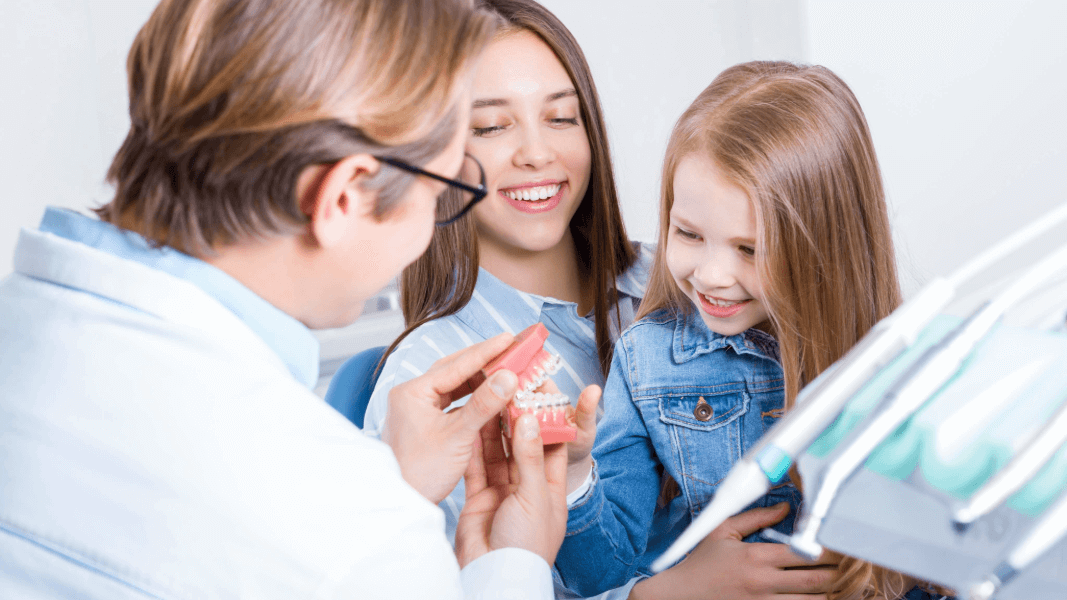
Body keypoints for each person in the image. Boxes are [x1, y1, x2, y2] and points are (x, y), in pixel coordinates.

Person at [0, 1, 570, 598]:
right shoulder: (359, 542)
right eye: (445, 188)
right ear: (344, 198)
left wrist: (383, 486)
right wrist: (509, 570)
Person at [363, 3, 843, 599]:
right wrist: (660, 594)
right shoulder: (427, 387)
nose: (536, 153)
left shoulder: (695, 282)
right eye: (490, 127)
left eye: (562, 118)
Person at [556, 61, 949, 600]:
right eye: (688, 234)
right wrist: (576, 479)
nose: (711, 276)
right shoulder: (647, 360)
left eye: (750, 249)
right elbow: (600, 574)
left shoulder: (906, 356)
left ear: (825, 245)